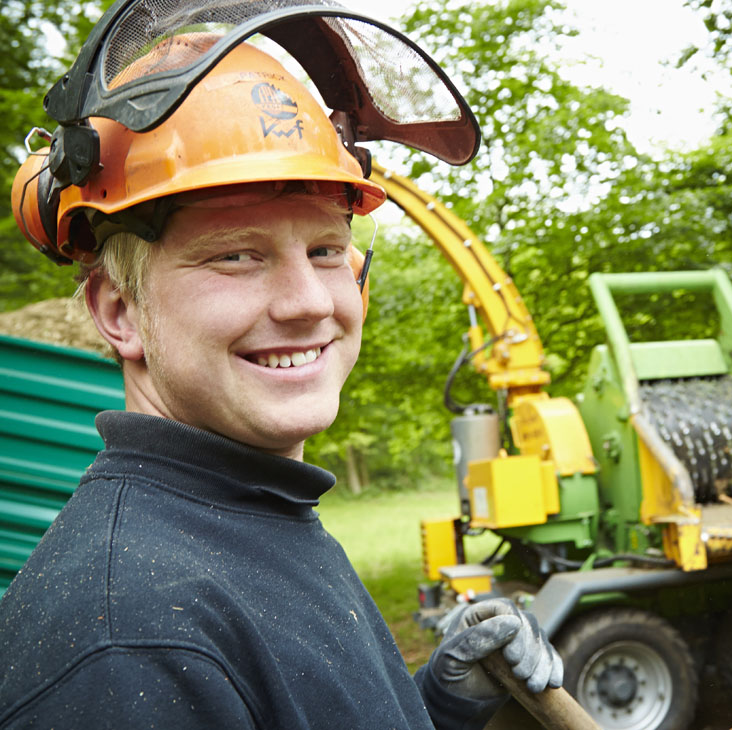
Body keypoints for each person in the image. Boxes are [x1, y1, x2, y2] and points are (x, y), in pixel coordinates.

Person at [0, 4, 562, 729]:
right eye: (237, 255)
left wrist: (441, 704)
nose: (309, 302)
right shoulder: (129, 644)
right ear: (119, 311)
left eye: (326, 251)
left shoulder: (249, 513)